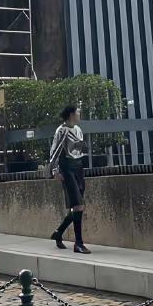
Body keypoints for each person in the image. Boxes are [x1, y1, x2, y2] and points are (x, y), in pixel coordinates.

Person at [48, 106, 90, 254]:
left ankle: (59, 232)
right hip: (67, 168)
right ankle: (78, 243)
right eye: (77, 112)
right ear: (71, 114)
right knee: (78, 205)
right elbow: (55, 150)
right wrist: (55, 170)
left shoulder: (78, 129)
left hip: (78, 167)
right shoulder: (61, 130)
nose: (79, 114)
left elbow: (79, 149)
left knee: (78, 206)